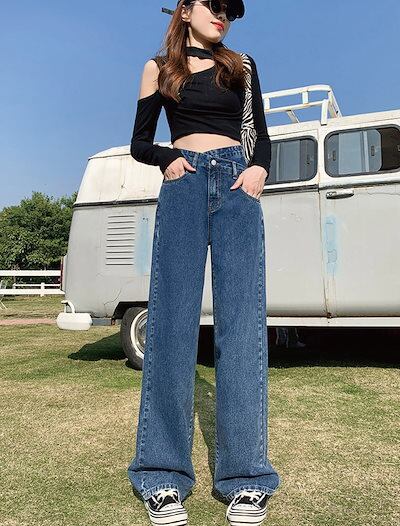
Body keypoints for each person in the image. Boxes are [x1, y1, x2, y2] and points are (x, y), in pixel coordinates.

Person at [127, 1, 281, 524]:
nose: (223, 15)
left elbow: (260, 133)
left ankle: (246, 478)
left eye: (230, 10)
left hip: (238, 185)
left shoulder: (242, 65)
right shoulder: (158, 68)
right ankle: (162, 474)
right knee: (170, 327)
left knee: (241, 328)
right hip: (185, 183)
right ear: (185, 8)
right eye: (213, 5)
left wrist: (259, 169)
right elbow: (139, 143)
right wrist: (167, 158)